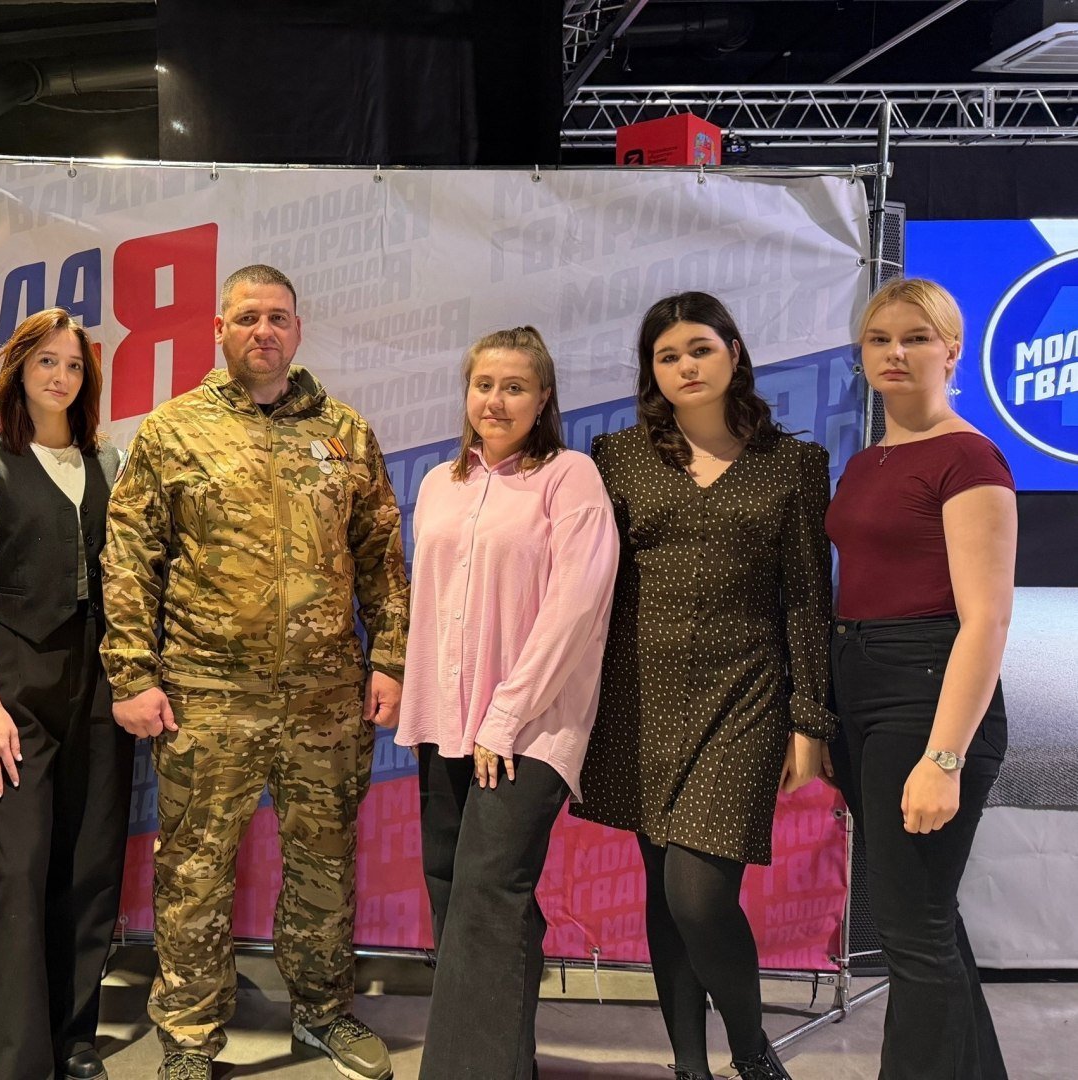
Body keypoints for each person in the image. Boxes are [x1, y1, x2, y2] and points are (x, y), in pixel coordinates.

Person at [102, 264, 410, 1080]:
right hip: (207, 693)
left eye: (277, 317)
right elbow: (129, 559)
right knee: (195, 869)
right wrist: (131, 673)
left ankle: (323, 1013)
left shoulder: (345, 433)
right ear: (220, 329)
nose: (262, 331)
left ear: (298, 330)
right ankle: (188, 1038)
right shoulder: (174, 432)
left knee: (324, 862)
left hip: (325, 697)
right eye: (246, 317)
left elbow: (382, 557)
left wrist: (390, 657)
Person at [570, 291, 834, 1080]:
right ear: (650, 371)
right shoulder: (617, 457)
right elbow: (590, 584)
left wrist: (810, 719)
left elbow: (806, 598)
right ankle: (689, 1065)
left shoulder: (794, 465)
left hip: (745, 698)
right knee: (664, 892)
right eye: (668, 356)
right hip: (639, 701)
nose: (686, 366)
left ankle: (751, 1051)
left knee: (698, 897)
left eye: (700, 349)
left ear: (734, 353)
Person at [395, 327, 618, 1080]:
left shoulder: (570, 478)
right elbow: (431, 605)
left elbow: (575, 608)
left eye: (515, 387)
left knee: (488, 894)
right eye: (483, 384)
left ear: (544, 397)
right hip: (446, 723)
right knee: (453, 887)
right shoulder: (439, 482)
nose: (495, 400)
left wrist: (506, 716)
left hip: (530, 729)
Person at [825, 279, 1014, 1080]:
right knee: (926, 922)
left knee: (912, 933)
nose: (895, 353)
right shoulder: (868, 460)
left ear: (952, 350)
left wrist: (943, 758)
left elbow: (986, 622)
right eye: (879, 339)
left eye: (916, 337)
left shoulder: (969, 457)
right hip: (861, 688)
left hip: (926, 693)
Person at [0, 308, 132, 1080]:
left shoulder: (109, 461)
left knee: (89, 866)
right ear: (18, 370)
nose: (61, 376)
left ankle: (72, 1036)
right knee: (20, 868)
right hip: (14, 687)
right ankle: (14, 1059)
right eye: (46, 361)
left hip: (99, 687)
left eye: (74, 365)